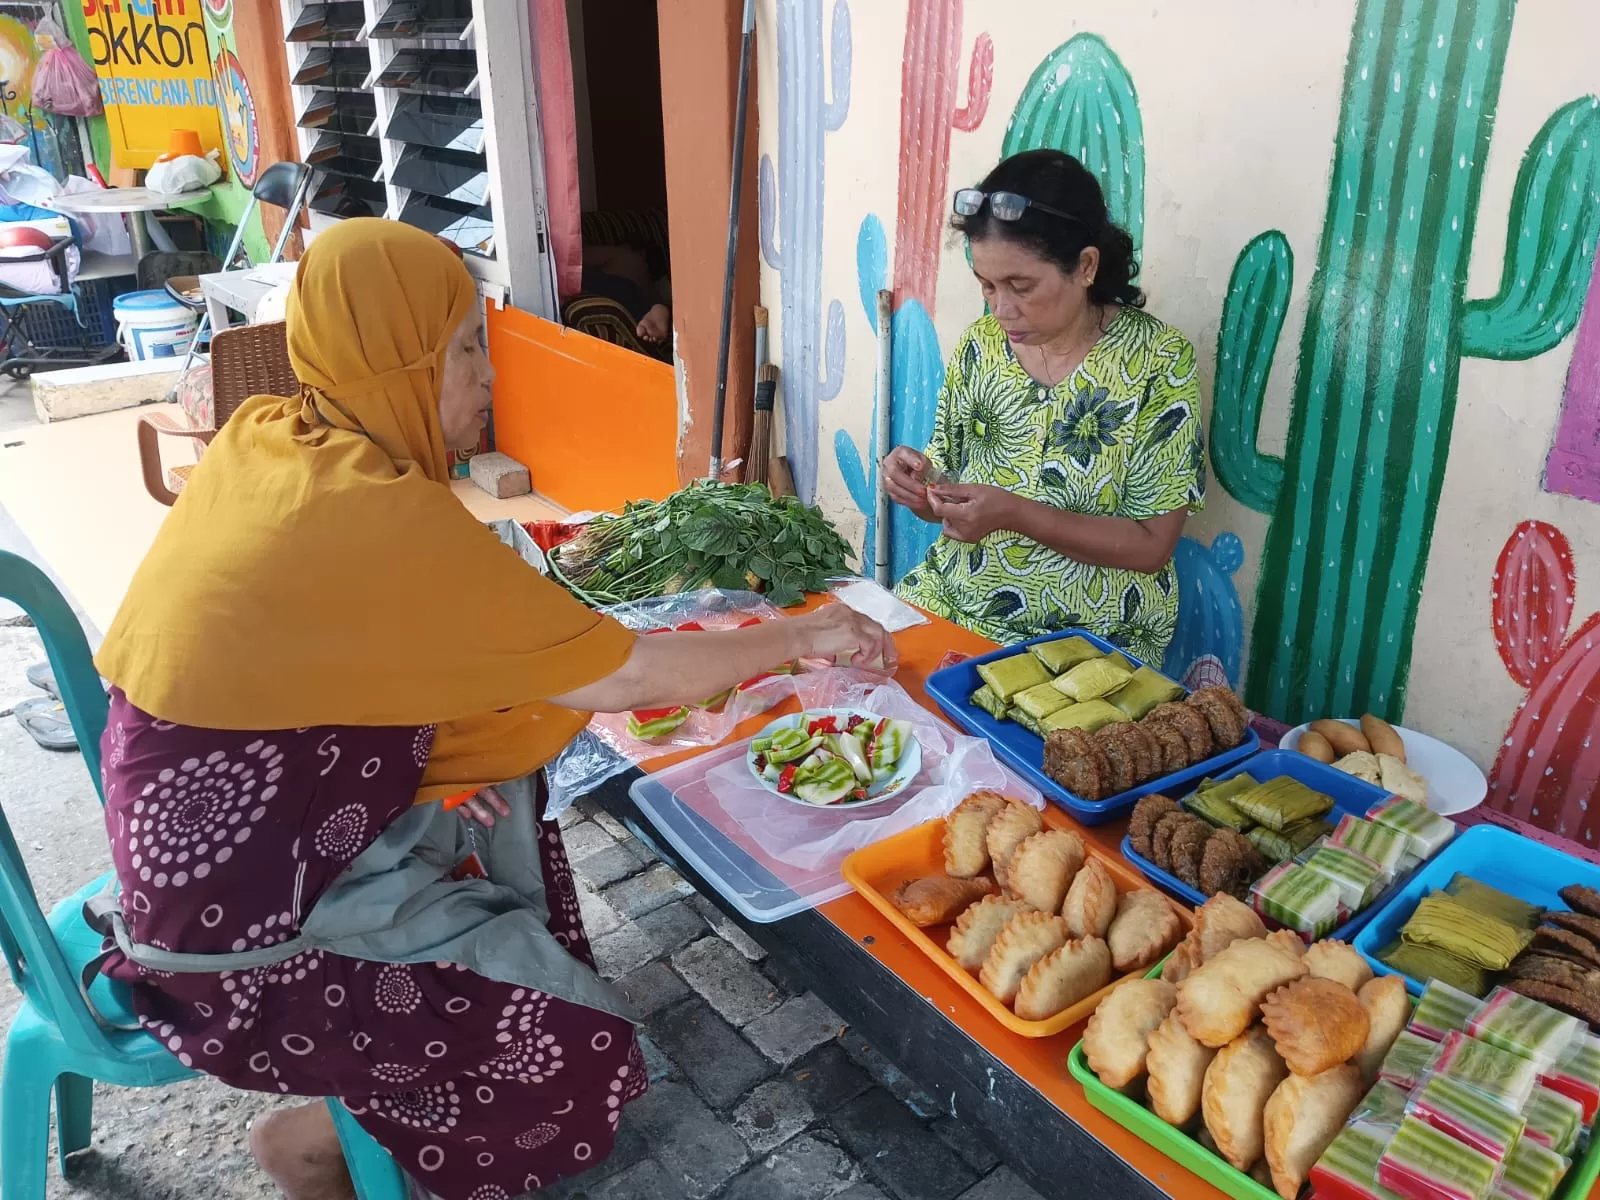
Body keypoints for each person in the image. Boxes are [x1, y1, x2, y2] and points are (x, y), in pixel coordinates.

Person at [91, 219, 892, 1200]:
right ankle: (320, 1145)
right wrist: (803, 637)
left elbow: (328, 677)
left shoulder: (276, 435)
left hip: (227, 857)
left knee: (509, 791)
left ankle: (464, 1006)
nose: (488, 378)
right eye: (464, 349)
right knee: (573, 1046)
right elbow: (626, 676)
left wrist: (441, 754)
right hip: (241, 946)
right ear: (395, 361)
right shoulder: (371, 515)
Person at [885, 149, 1205, 665]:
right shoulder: (980, 346)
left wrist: (1013, 514)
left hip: (1088, 642)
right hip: (956, 600)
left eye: (1021, 286)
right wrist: (918, 487)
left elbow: (1151, 547)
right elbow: (944, 495)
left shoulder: (1156, 362)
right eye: (986, 285)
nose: (1001, 309)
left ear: (1085, 266)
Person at [581, 237, 672, 345]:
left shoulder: (623, 256)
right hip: (638, 298)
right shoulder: (630, 264)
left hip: (618, 291)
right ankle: (660, 310)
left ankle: (659, 310)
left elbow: (574, 258)